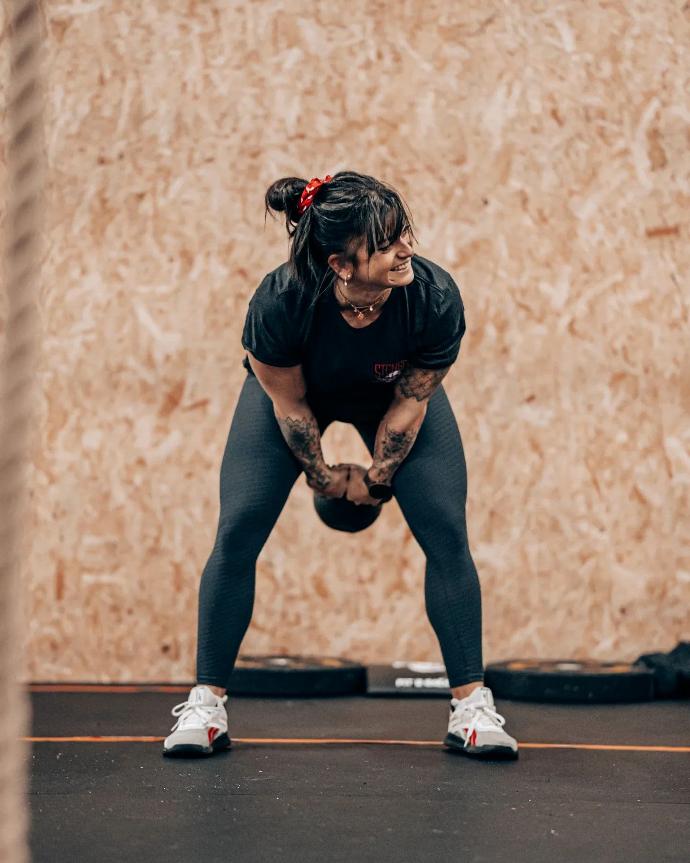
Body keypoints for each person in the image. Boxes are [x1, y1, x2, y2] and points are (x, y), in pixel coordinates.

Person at [162, 171, 518, 760]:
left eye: (404, 232)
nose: (408, 248)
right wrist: (323, 477)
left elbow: (408, 407)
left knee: (448, 532)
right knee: (240, 525)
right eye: (386, 242)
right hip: (299, 396)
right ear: (341, 264)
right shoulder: (281, 301)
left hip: (394, 395)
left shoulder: (433, 297)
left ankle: (472, 707)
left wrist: (378, 480)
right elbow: (291, 405)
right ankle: (206, 704)